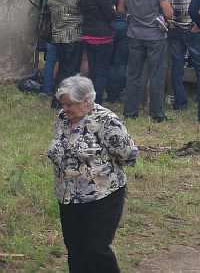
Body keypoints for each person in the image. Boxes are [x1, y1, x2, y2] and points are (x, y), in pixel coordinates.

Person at [48, 75, 138, 272]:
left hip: (103, 196)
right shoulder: (63, 119)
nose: (65, 109)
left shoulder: (107, 121)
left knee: (96, 249)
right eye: (63, 104)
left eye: (70, 104)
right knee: (75, 250)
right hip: (68, 197)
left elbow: (129, 155)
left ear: (87, 101)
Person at [166, 0, 200, 112]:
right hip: (193, 26)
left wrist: (170, 20)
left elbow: (167, 4)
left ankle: (180, 102)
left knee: (177, 65)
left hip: (175, 26)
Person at [79, 0, 116, 105]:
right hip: (103, 36)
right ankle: (97, 100)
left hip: (88, 34)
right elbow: (110, 15)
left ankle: (90, 97)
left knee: (93, 68)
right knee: (102, 70)